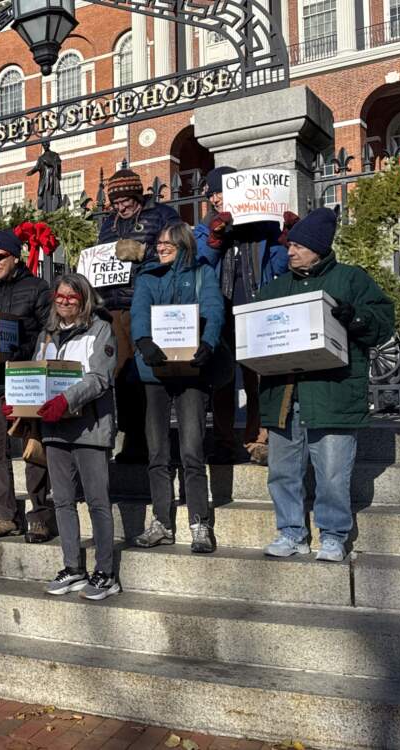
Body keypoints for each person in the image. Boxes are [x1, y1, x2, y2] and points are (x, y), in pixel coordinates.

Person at [257, 207, 394, 562]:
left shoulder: (351, 279)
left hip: (333, 394)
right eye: (290, 246)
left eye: (298, 246)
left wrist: (356, 317)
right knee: (282, 472)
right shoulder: (275, 287)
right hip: (284, 396)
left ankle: (333, 536)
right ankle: (290, 533)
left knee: (333, 473)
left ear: (318, 248)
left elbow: (382, 324)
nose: (290, 252)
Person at [130, 222, 225, 553]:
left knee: (191, 450)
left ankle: (200, 523)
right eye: (158, 242)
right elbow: (139, 312)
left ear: (184, 244)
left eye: (167, 242)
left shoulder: (203, 273)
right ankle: (161, 522)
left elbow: (214, 311)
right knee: (157, 452)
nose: (160, 246)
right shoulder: (147, 277)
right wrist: (143, 340)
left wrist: (209, 343)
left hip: (192, 371)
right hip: (154, 372)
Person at [195, 166, 292, 465]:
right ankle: (224, 442)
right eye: (211, 194)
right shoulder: (205, 226)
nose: (214, 199)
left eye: (219, 192)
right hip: (221, 312)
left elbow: (279, 268)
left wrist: (284, 238)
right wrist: (216, 236)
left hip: (256, 309)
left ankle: (258, 439)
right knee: (222, 379)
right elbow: (200, 261)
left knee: (257, 378)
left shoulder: (263, 228)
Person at [32, 273, 119, 600]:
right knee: (64, 502)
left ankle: (106, 573)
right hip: (55, 430)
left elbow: (100, 378)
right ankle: (73, 568)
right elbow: (34, 375)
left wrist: (66, 400)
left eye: (72, 297)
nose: (65, 302)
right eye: (60, 297)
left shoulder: (101, 330)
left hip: (91, 429)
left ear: (84, 300)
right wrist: (21, 404)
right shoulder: (46, 335)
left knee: (98, 502)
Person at [0, 229, 53, 541]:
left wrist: (20, 350)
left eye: (0, 257)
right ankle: (5, 515)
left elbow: (49, 332)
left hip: (25, 379)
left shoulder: (36, 288)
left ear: (15, 257)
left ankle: (40, 516)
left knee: (32, 451)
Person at [97, 168, 181, 464]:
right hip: (113, 305)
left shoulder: (161, 215)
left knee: (147, 371)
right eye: (116, 202)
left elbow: (178, 248)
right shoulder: (108, 223)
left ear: (137, 194)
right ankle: (132, 438)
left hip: (146, 301)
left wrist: (143, 252)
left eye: (125, 200)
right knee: (121, 373)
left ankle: (155, 437)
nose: (120, 207)